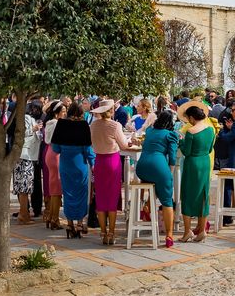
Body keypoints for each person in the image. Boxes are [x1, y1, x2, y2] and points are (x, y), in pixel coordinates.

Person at [89, 99, 131, 244]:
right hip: (112, 162)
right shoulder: (115, 125)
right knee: (112, 199)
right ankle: (111, 233)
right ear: (112, 110)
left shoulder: (93, 125)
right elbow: (124, 145)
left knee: (101, 199)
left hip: (99, 161)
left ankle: (103, 232)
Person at [136, 110, 180, 248]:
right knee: (167, 201)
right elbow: (172, 157)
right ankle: (169, 234)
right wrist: (169, 172)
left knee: (150, 185)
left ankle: (146, 206)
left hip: (141, 168)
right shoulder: (171, 135)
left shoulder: (150, 131)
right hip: (158, 166)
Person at [52, 102, 94, 238]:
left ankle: (69, 224)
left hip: (65, 164)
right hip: (80, 164)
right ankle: (80, 223)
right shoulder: (83, 126)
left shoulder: (61, 124)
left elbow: (55, 148)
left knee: (68, 194)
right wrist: (93, 164)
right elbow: (88, 150)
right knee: (81, 194)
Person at [178, 103, 214, 242]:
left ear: (192, 117)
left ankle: (187, 231)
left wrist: (181, 142)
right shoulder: (210, 130)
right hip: (205, 162)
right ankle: (202, 230)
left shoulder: (191, 132)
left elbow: (186, 152)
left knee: (187, 195)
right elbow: (210, 149)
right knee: (203, 195)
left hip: (193, 163)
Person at [13, 102, 42, 225]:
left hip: (28, 156)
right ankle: (23, 214)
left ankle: (24, 213)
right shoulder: (25, 118)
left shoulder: (28, 118)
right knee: (24, 188)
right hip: (24, 156)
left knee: (26, 187)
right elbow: (21, 134)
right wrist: (33, 129)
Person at [41, 100, 66, 230]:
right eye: (63, 112)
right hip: (56, 154)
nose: (65, 114)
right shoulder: (56, 123)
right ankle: (54, 219)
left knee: (53, 186)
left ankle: (51, 215)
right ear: (57, 113)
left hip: (50, 153)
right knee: (56, 188)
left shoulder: (49, 123)